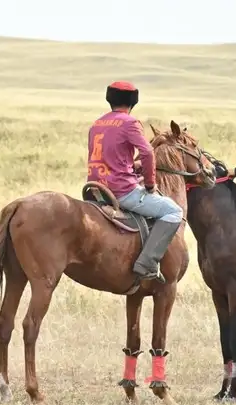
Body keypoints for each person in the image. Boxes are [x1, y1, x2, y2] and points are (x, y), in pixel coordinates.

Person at [86, 81, 183, 282]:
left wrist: (132, 165)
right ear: (133, 102)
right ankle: (147, 262)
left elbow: (110, 156)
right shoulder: (130, 123)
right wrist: (150, 184)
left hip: (95, 190)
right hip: (121, 192)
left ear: (109, 99)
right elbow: (147, 152)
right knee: (174, 211)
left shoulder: (97, 123)